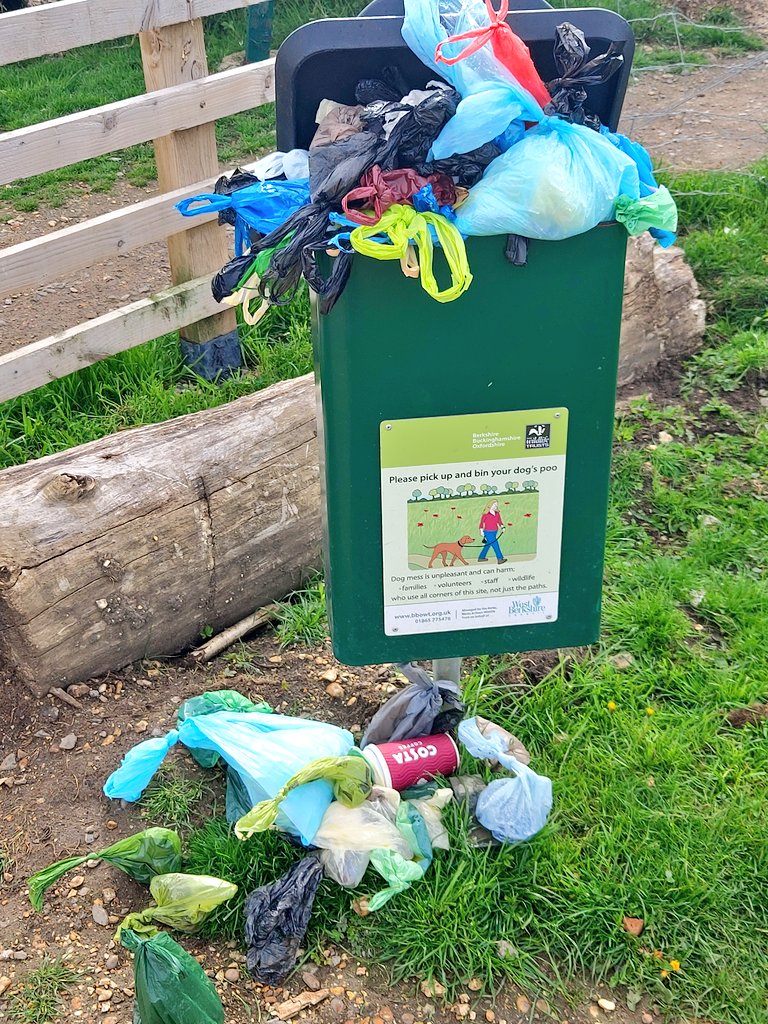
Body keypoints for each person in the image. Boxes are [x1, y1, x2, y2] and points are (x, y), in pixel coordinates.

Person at [478, 499, 507, 564]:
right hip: (488, 532)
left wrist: (502, 527)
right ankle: (500, 558)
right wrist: (481, 531)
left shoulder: (497, 513)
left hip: (495, 531)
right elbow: (481, 523)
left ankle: (481, 557)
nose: (495, 506)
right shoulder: (485, 514)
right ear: (490, 505)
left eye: (496, 505)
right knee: (495, 544)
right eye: (494, 505)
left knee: (487, 545)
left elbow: (499, 521)